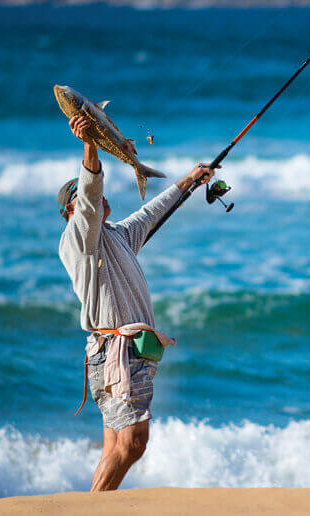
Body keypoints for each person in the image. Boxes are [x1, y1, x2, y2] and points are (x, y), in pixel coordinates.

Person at [57, 112, 213, 492]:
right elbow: (90, 195)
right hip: (116, 354)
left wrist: (191, 180)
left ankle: (97, 505)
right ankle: (93, 507)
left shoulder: (118, 235)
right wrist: (90, 142)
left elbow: (152, 212)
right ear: (69, 213)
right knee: (133, 443)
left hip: (125, 354)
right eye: (82, 200)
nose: (94, 201)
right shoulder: (79, 238)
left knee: (116, 443)